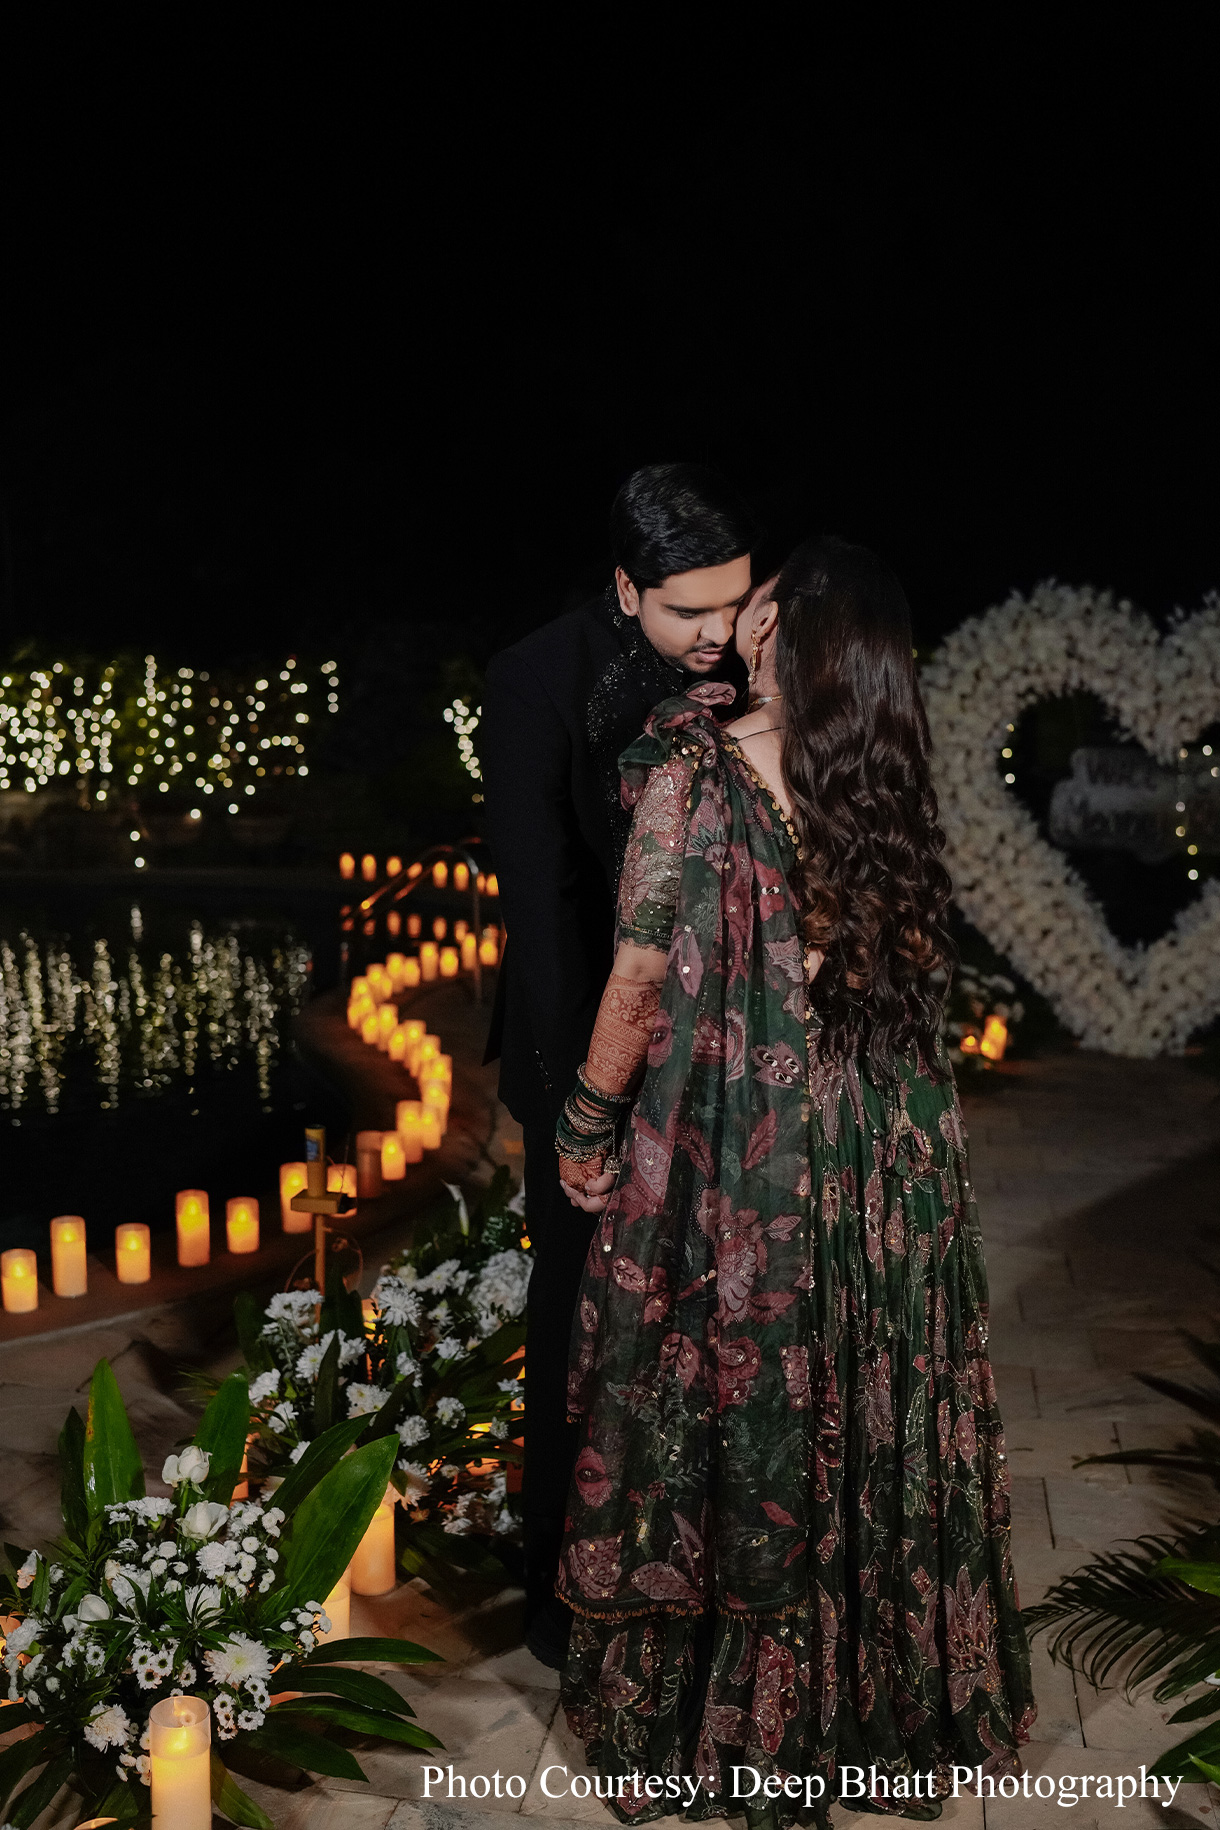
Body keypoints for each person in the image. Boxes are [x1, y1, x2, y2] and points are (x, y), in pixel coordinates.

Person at [553, 537, 1036, 1823]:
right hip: (885, 1149)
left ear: (775, 630)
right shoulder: (879, 773)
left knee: (740, 1402)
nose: (731, 623)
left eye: (752, 604)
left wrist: (586, 1122)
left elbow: (640, 973)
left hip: (749, 1150)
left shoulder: (691, 768)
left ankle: (740, 1720)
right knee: (862, 1396)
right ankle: (876, 1705)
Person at [481, 462, 762, 1667]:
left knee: (713, 1312)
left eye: (733, 602)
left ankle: (699, 1572)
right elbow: (539, 912)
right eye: (689, 610)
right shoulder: (534, 677)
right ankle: (557, 1590)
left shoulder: (747, 658)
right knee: (574, 1316)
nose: (718, 633)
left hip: (725, 1055)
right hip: (581, 1045)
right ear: (623, 587)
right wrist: (577, 1107)